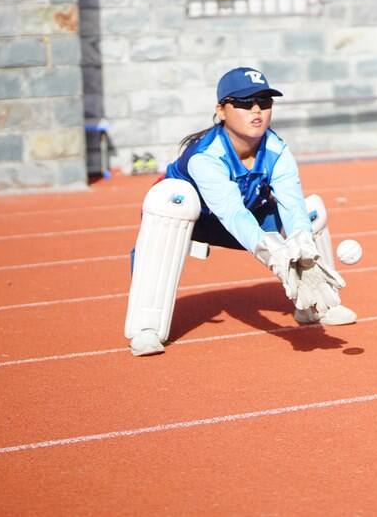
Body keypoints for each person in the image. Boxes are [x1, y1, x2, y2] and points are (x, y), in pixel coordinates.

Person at [123, 66, 353, 357]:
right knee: (170, 200)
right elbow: (233, 214)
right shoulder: (206, 156)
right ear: (221, 110)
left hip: (244, 214)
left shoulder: (277, 149)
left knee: (310, 213)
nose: (256, 110)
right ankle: (146, 327)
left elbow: (292, 205)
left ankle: (316, 306)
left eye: (264, 102)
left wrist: (302, 247)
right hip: (190, 218)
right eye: (244, 103)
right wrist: (277, 258)